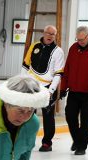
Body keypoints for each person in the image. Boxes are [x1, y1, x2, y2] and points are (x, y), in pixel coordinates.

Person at [59, 26, 88, 155]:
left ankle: (82, 147)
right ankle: (77, 139)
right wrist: (63, 88)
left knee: (85, 121)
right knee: (70, 116)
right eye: (78, 39)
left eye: (82, 39)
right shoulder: (73, 48)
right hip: (74, 91)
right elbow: (67, 69)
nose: (80, 42)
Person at [21, 24, 64, 152]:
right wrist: (23, 83)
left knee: (48, 117)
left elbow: (58, 73)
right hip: (32, 86)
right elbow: (25, 66)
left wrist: (51, 90)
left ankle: (47, 142)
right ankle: (27, 141)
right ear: (43, 33)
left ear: (55, 36)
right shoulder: (34, 46)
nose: (50, 36)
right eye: (48, 33)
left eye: (53, 34)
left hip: (48, 87)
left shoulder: (58, 51)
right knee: (28, 115)